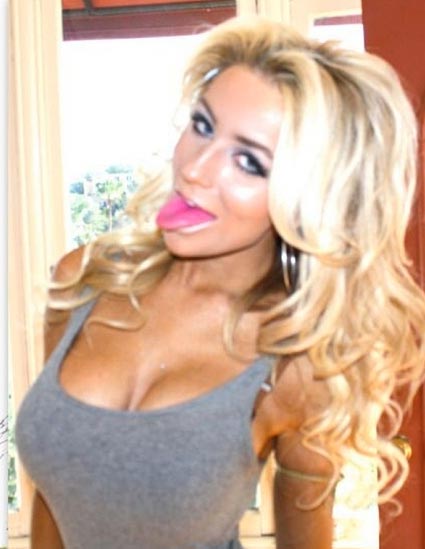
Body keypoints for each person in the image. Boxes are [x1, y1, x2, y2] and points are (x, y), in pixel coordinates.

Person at [16, 14, 425, 549]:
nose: (196, 169)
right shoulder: (86, 281)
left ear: (308, 197)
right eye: (203, 126)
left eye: (249, 162)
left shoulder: (298, 361)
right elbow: (53, 495)